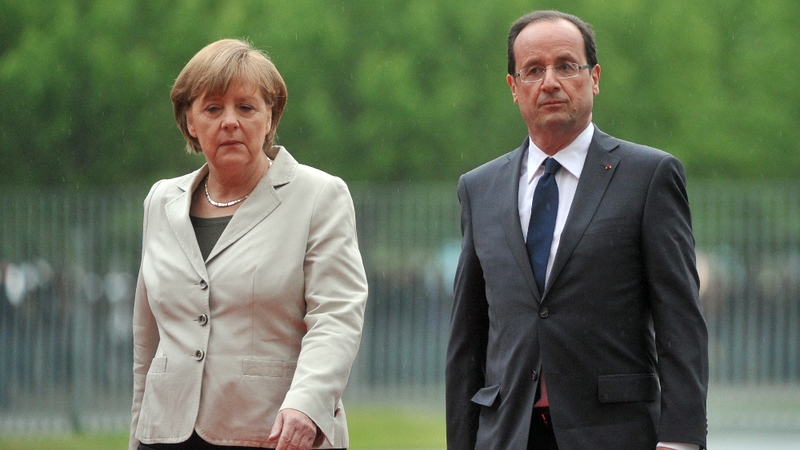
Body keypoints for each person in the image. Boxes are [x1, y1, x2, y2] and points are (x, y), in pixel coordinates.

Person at [445, 10, 708, 450]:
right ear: (513, 87)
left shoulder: (648, 177)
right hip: (506, 434)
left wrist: (681, 439)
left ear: (595, 77)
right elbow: (467, 338)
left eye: (566, 65)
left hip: (615, 434)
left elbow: (680, 321)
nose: (550, 82)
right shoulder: (479, 188)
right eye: (533, 70)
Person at [130, 39, 368, 450]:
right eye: (212, 108)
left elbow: (336, 316)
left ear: (270, 116)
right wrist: (138, 433)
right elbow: (147, 339)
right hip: (166, 433)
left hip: (275, 433)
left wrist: (308, 406)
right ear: (189, 121)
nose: (229, 121)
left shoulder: (318, 196)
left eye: (246, 107)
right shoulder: (160, 201)